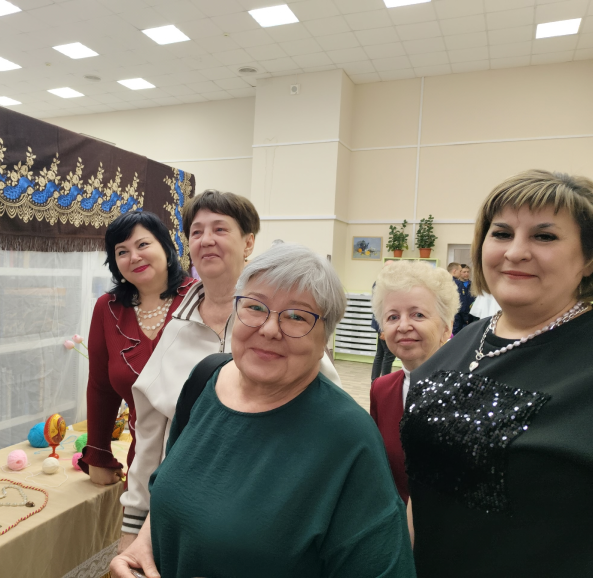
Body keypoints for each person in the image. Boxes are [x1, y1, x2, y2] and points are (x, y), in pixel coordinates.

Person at [110, 244, 415, 578]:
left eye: (296, 316)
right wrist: (145, 542)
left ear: (324, 339)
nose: (269, 329)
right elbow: (174, 485)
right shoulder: (204, 380)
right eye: (255, 307)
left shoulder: (349, 438)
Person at [118, 191, 340, 549]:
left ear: (248, 242)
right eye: (196, 232)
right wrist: (133, 524)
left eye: (220, 229)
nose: (206, 240)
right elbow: (150, 439)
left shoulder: (277, 327)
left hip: (268, 521)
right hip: (182, 513)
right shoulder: (176, 329)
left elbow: (329, 415)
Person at [401, 170, 593, 577]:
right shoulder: (463, 341)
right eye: (502, 233)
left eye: (544, 236)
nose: (516, 252)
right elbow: (425, 479)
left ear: (589, 259)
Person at [77, 211, 196, 484]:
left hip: (203, 458)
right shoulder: (107, 308)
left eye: (143, 244)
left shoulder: (200, 298)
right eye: (122, 251)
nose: (134, 257)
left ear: (166, 247)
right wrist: (98, 455)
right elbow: (101, 387)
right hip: (143, 461)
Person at [369, 260, 459, 503]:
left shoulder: (470, 389)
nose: (403, 326)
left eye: (418, 314)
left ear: (446, 327)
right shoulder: (381, 389)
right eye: (392, 317)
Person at [371, 260, 397, 382]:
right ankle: (384, 382)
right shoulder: (382, 285)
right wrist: (382, 329)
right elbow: (380, 309)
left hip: (382, 324)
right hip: (383, 325)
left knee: (381, 354)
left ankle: (375, 381)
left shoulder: (382, 283)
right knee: (388, 355)